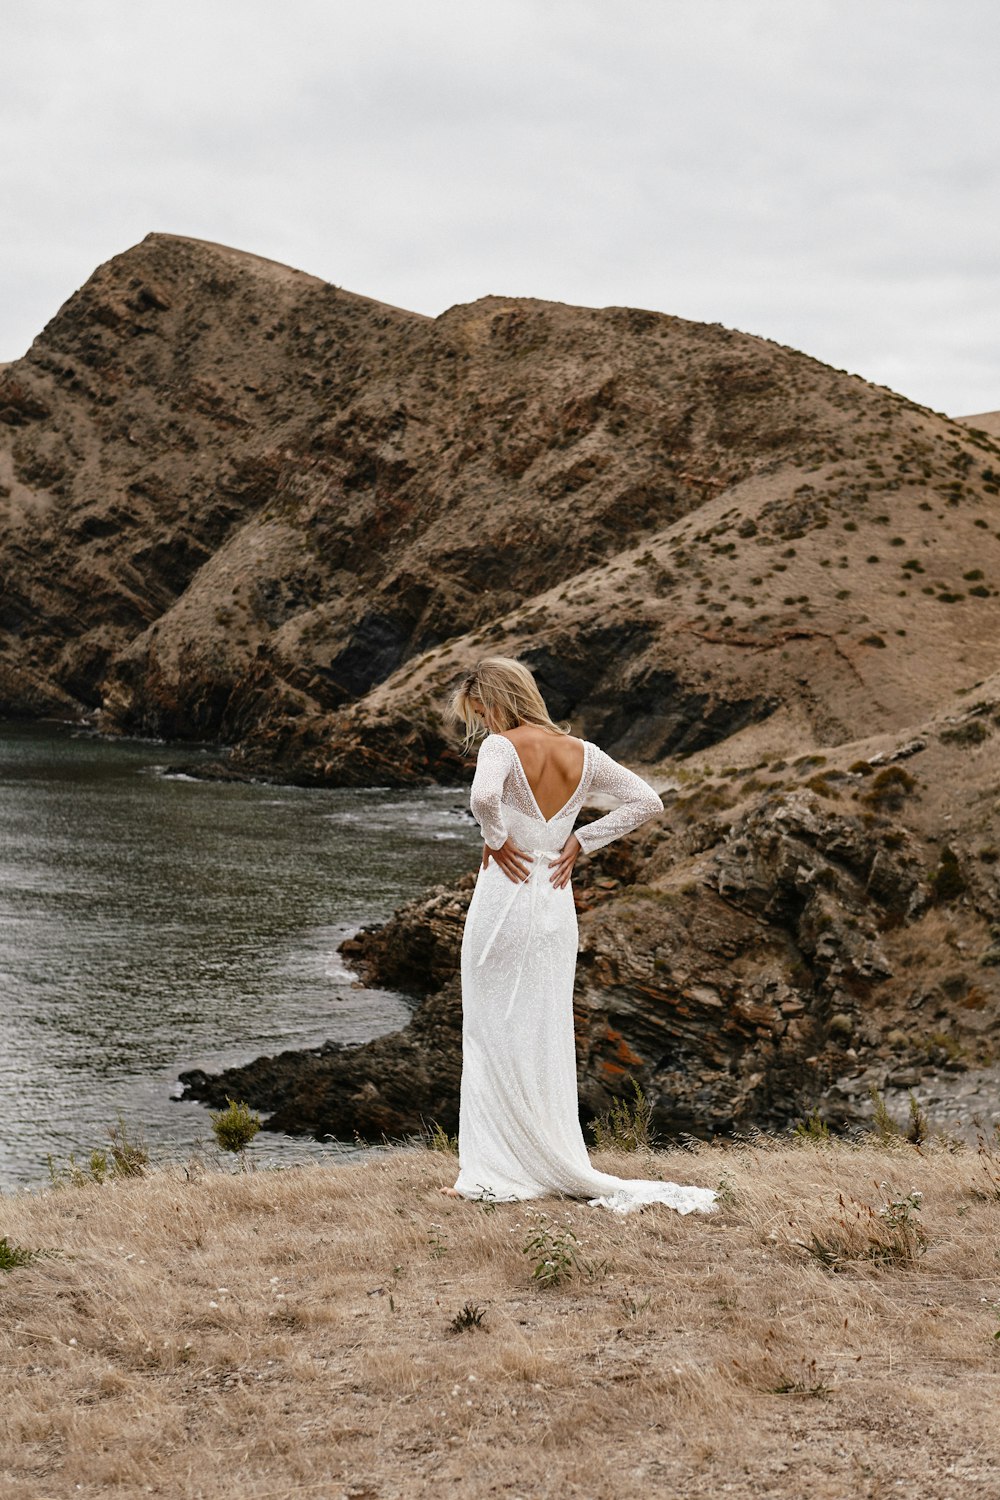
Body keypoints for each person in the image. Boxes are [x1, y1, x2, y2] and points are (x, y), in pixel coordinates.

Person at [438, 656, 718, 1216]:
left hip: (505, 897)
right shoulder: (583, 754)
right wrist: (581, 843)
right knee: (543, 1028)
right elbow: (647, 800)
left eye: (480, 713)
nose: (483, 727)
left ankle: (492, 1170)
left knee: (491, 1029)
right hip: (553, 902)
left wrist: (495, 840)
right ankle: (540, 1156)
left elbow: (483, 799)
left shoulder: (501, 747)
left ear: (495, 702)